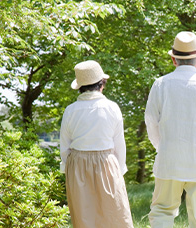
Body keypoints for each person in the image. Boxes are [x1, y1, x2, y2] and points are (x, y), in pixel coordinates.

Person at [145, 31, 196, 228]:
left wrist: (163, 147)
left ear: (174, 59)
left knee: (162, 212)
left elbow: (151, 122)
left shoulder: (160, 84)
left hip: (168, 159)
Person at [59, 60, 134, 228]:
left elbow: (65, 147)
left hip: (77, 165)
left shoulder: (70, 110)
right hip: (107, 162)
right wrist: (119, 171)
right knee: (115, 216)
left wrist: (67, 170)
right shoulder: (112, 107)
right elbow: (119, 145)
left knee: (84, 218)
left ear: (80, 87)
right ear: (102, 84)